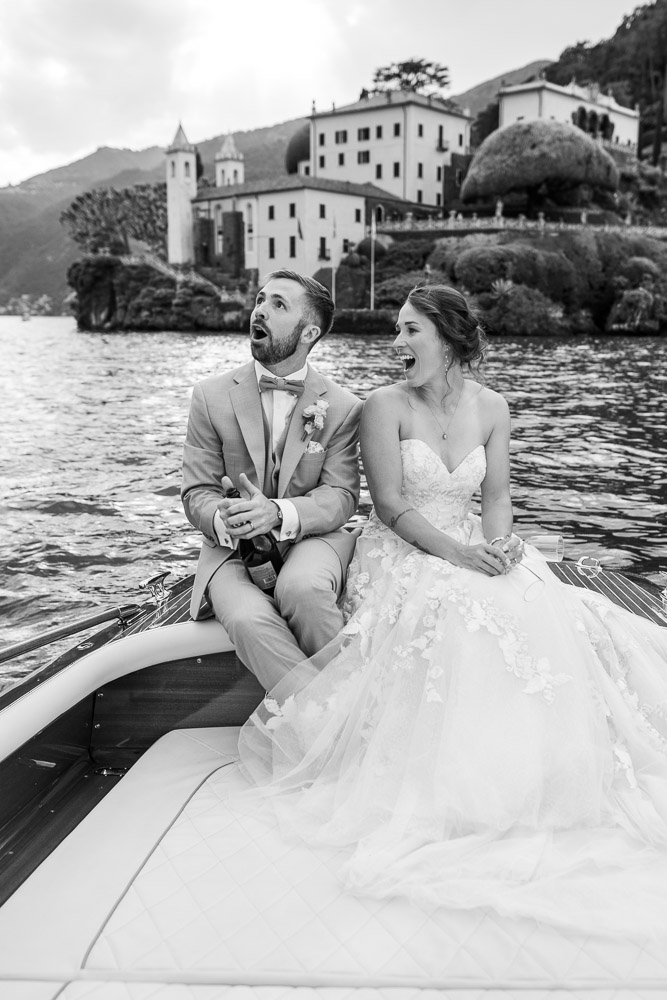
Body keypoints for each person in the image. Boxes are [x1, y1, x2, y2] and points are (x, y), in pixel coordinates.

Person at [238, 283, 667, 937]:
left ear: (448, 336)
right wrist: (461, 558)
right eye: (397, 331)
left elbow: (494, 497)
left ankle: (536, 775)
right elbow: (389, 506)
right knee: (457, 607)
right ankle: (463, 786)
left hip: (469, 541)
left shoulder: (493, 407)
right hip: (403, 550)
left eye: (411, 330)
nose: (397, 342)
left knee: (546, 601)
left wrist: (498, 543)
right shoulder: (385, 405)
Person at [182, 269, 362, 690]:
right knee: (246, 618)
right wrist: (226, 517)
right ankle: (330, 717)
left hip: (313, 539)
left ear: (308, 332)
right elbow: (196, 492)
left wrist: (277, 512)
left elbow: (341, 496)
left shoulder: (343, 406)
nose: (259, 310)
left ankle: (335, 715)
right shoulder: (209, 396)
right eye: (260, 299)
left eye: (278, 304)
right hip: (229, 550)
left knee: (305, 592)